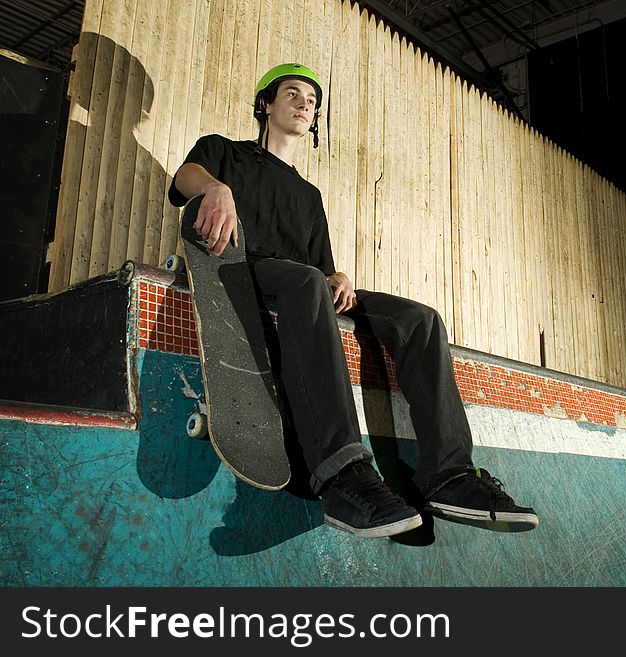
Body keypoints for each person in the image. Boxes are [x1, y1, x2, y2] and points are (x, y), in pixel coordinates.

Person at [168, 63, 538, 539]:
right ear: (266, 103)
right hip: (243, 268)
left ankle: (450, 475)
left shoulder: (309, 195)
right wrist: (216, 188)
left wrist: (338, 277)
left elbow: (321, 270)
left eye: (312, 101)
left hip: (301, 283)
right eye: (293, 94)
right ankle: (340, 473)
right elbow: (184, 179)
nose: (305, 104)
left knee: (420, 320)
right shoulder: (225, 153)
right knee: (305, 282)